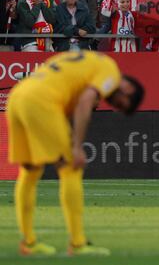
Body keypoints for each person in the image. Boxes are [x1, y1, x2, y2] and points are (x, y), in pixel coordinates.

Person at [7, 51, 143, 256]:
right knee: (71, 168)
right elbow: (87, 99)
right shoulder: (111, 71)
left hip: (18, 97)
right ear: (127, 88)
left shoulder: (88, 60)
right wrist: (77, 146)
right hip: (42, 101)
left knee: (30, 171)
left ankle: (29, 242)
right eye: (120, 104)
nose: (113, 105)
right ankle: (78, 244)